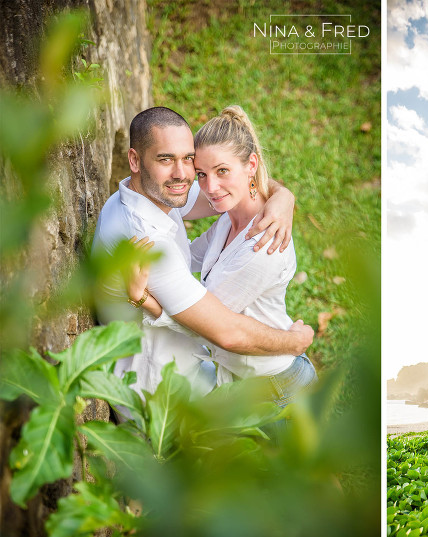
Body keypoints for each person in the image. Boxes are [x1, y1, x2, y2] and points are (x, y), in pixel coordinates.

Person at [92, 106, 314, 396]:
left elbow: (236, 182)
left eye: (187, 160)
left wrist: (283, 195)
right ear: (134, 160)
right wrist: (294, 343)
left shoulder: (148, 193)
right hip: (164, 388)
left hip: (261, 378)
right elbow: (222, 330)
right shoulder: (150, 240)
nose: (183, 175)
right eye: (165, 159)